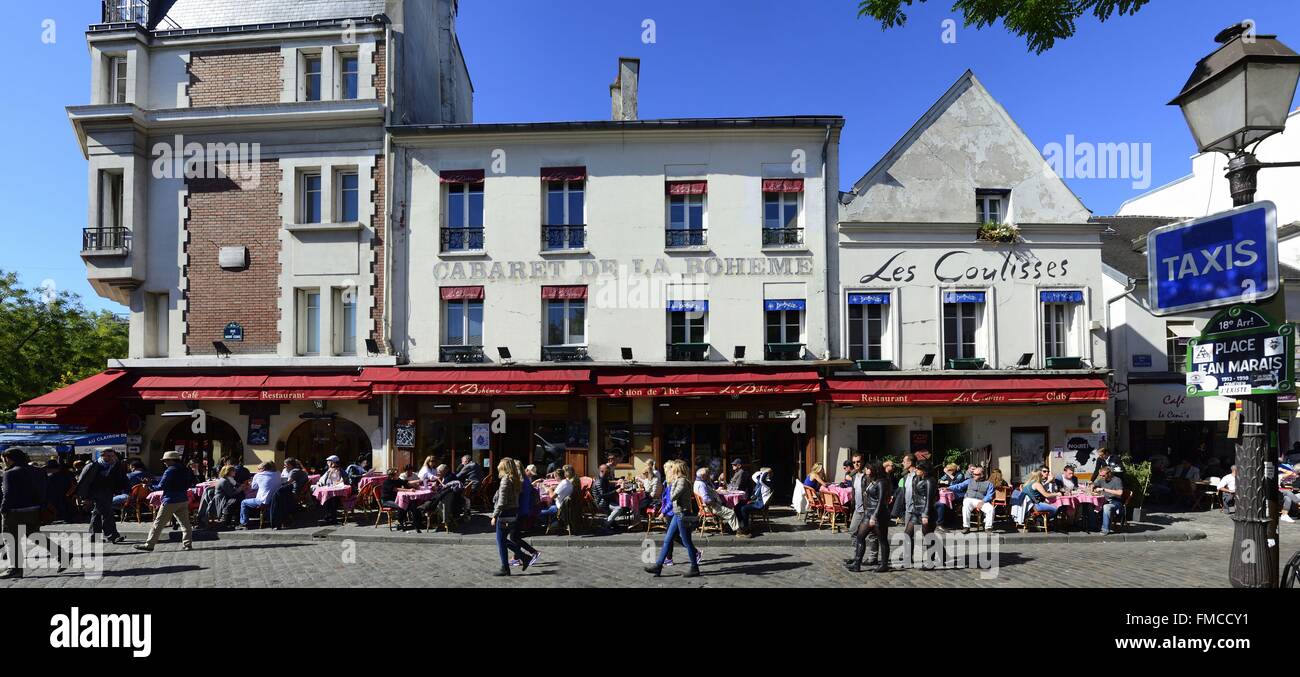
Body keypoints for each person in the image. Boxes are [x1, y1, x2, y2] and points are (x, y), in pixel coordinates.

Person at [2, 449, 62, 579]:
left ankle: (15, 569)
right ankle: (62, 555)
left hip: (15, 511)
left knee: (10, 539)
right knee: (35, 535)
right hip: (35, 510)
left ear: (8, 458)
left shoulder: (10, 473)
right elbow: (45, 490)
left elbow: (8, 494)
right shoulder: (39, 471)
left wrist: (3, 509)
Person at [645, 459, 701, 578]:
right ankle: (658, 566)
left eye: (672, 468)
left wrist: (671, 484)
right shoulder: (678, 481)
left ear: (677, 469)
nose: (670, 470)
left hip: (682, 515)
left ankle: (694, 567)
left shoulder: (682, 481)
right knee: (667, 540)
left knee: (687, 542)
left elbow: (673, 495)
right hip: (677, 514)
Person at [134, 451, 194, 552]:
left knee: (158, 524)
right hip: (183, 499)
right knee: (185, 524)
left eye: (166, 460)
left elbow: (161, 486)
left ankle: (149, 544)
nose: (164, 462)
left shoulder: (170, 470)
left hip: (170, 500)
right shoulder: (186, 470)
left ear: (172, 460)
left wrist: (149, 486)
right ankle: (187, 544)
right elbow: (190, 483)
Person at [845, 456, 891, 572]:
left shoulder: (881, 482)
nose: (866, 470)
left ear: (874, 469)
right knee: (860, 536)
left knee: (882, 539)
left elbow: (881, 501)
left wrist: (874, 516)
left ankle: (884, 564)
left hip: (878, 515)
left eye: (868, 469)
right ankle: (857, 563)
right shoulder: (872, 480)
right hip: (868, 512)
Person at [76, 448, 128, 544]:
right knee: (107, 512)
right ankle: (112, 536)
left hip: (107, 492)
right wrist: (84, 497)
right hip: (94, 492)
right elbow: (83, 482)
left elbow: (120, 478)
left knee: (98, 513)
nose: (111, 458)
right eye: (108, 456)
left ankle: (95, 537)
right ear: (102, 455)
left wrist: (123, 489)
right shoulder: (93, 466)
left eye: (112, 456)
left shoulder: (115, 465)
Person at [490, 458, 531, 576]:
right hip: (513, 513)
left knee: (500, 541)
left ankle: (506, 567)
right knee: (502, 540)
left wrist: (494, 515)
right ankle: (523, 557)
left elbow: (502, 502)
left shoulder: (505, 480)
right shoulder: (516, 479)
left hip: (505, 513)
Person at [901, 462, 937, 568]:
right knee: (907, 534)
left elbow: (930, 499)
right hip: (916, 512)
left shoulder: (930, 481)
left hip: (926, 512)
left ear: (924, 470)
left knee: (928, 537)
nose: (915, 470)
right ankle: (907, 559)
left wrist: (925, 514)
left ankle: (930, 561)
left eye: (918, 469)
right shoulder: (917, 479)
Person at [949, 465, 996, 533]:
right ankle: (966, 527)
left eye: (976, 474)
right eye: (973, 474)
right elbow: (959, 486)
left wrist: (983, 501)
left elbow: (990, 495)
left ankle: (988, 528)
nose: (974, 475)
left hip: (981, 500)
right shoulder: (969, 481)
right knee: (966, 507)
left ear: (982, 475)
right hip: (969, 499)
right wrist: (948, 488)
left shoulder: (989, 484)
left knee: (991, 509)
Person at [693, 467, 741, 533]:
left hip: (706, 507)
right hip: (710, 507)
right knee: (731, 512)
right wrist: (715, 501)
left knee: (727, 505)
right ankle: (738, 532)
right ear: (703, 476)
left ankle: (729, 526)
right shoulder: (702, 485)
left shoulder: (697, 482)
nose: (708, 476)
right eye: (707, 475)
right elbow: (706, 499)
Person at [238, 462, 281, 528]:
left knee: (243, 502)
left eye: (258, 469)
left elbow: (254, 487)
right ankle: (267, 517)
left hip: (262, 501)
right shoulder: (278, 473)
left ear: (263, 468)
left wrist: (251, 482)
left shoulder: (258, 475)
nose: (258, 470)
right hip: (274, 500)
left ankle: (244, 522)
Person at [735, 467, 772, 536]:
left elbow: (761, 480)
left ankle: (745, 528)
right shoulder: (761, 482)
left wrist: (766, 471)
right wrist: (761, 472)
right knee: (738, 505)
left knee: (744, 508)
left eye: (762, 473)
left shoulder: (767, 482)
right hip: (756, 501)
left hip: (760, 504)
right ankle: (741, 524)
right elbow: (754, 476)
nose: (760, 474)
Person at [1090, 465, 1126, 535]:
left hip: (1116, 501)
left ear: (1109, 474)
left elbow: (1120, 493)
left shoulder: (1117, 480)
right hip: (1104, 500)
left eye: (1103, 475)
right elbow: (1094, 484)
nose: (1101, 477)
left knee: (1106, 507)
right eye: (1100, 475)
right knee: (1090, 505)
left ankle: (1105, 529)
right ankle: (1093, 526)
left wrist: (1104, 489)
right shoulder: (1102, 479)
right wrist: (1092, 486)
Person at [593, 463, 627, 532]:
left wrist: (618, 486)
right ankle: (605, 524)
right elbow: (603, 495)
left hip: (606, 501)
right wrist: (616, 491)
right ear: (602, 471)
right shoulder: (599, 482)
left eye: (609, 471)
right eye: (607, 471)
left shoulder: (604, 479)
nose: (609, 473)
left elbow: (608, 489)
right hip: (601, 503)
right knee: (619, 508)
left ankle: (613, 524)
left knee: (623, 504)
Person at [44, 459, 77, 524]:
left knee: (61, 506)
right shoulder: (68, 474)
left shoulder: (50, 476)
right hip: (66, 494)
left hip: (57, 495)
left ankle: (61, 517)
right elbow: (74, 484)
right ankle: (67, 517)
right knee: (66, 506)